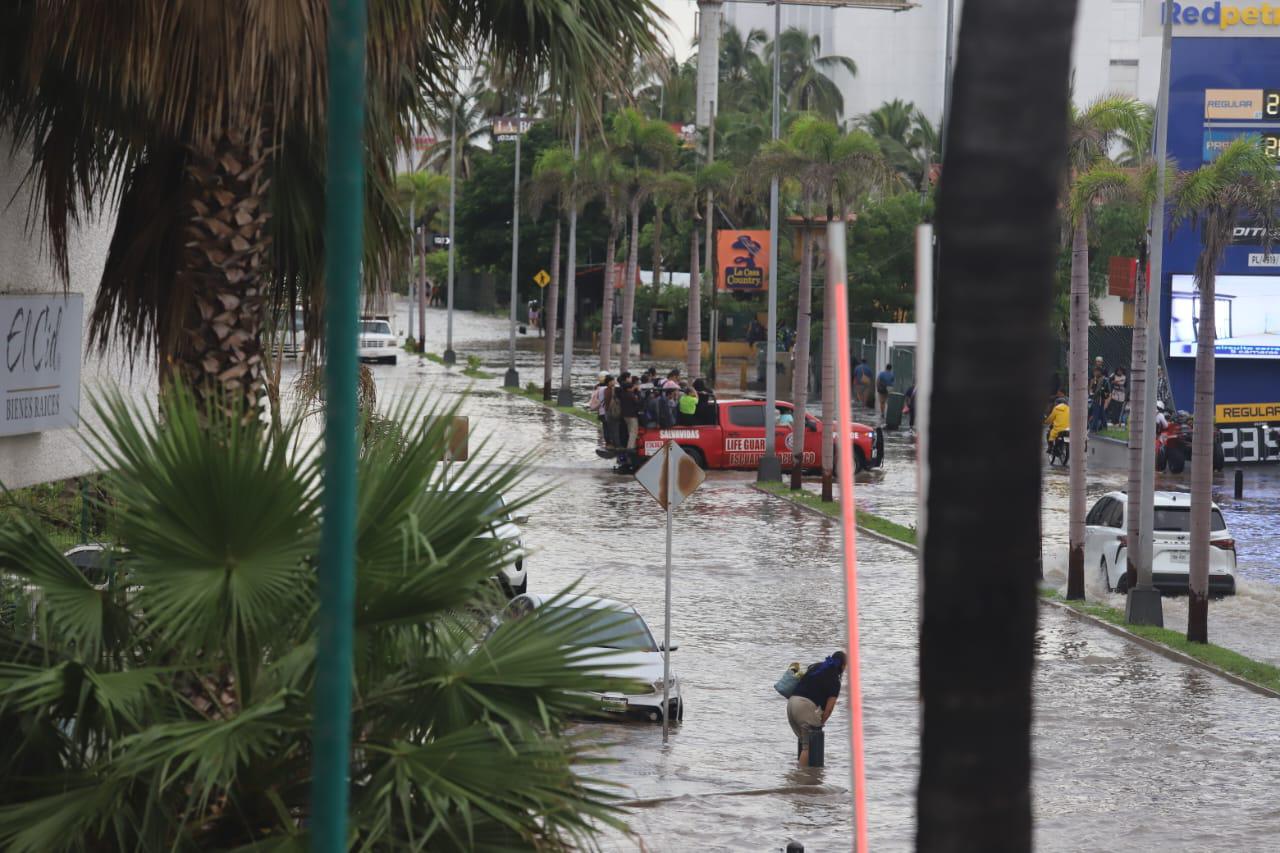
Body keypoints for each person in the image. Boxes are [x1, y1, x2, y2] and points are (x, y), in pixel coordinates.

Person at [787, 651, 846, 767]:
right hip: (804, 706)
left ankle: (797, 777)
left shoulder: (816, 667)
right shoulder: (834, 680)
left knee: (803, 741)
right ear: (843, 666)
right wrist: (820, 724)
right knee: (810, 746)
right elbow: (829, 709)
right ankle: (803, 779)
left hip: (791, 703)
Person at [1088, 364, 1111, 432]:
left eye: (1096, 371)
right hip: (1094, 398)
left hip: (1100, 398)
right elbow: (1091, 389)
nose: (1095, 373)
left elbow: (1108, 391)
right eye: (1094, 371)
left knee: (1096, 413)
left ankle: (1094, 428)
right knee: (1101, 413)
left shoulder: (1104, 380)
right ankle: (1104, 426)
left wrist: (1103, 393)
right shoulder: (1094, 380)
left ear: (1100, 372)